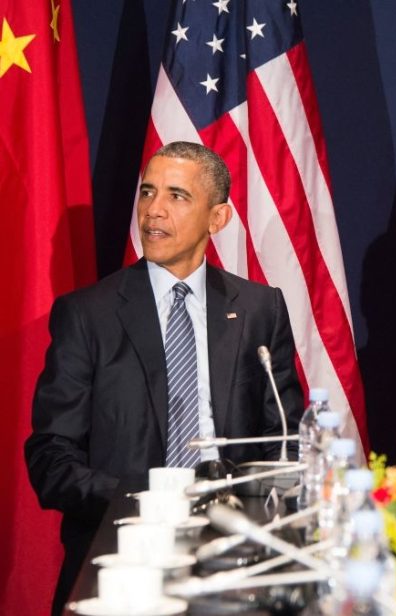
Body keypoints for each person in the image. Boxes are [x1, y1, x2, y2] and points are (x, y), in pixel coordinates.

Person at [25, 142, 303, 614]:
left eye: (177, 196)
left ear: (218, 219)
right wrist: (147, 502)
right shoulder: (87, 314)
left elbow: (286, 439)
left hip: (234, 552)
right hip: (123, 550)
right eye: (148, 192)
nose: (154, 210)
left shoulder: (260, 309)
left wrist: (250, 512)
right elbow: (51, 458)